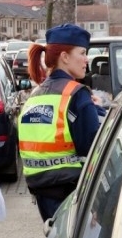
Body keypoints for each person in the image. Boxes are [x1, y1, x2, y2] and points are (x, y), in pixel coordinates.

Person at [18, 23, 102, 222]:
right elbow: (93, 150)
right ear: (64, 57)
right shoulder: (77, 94)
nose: (86, 59)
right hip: (71, 191)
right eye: (82, 53)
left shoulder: (36, 94)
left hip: (41, 192)